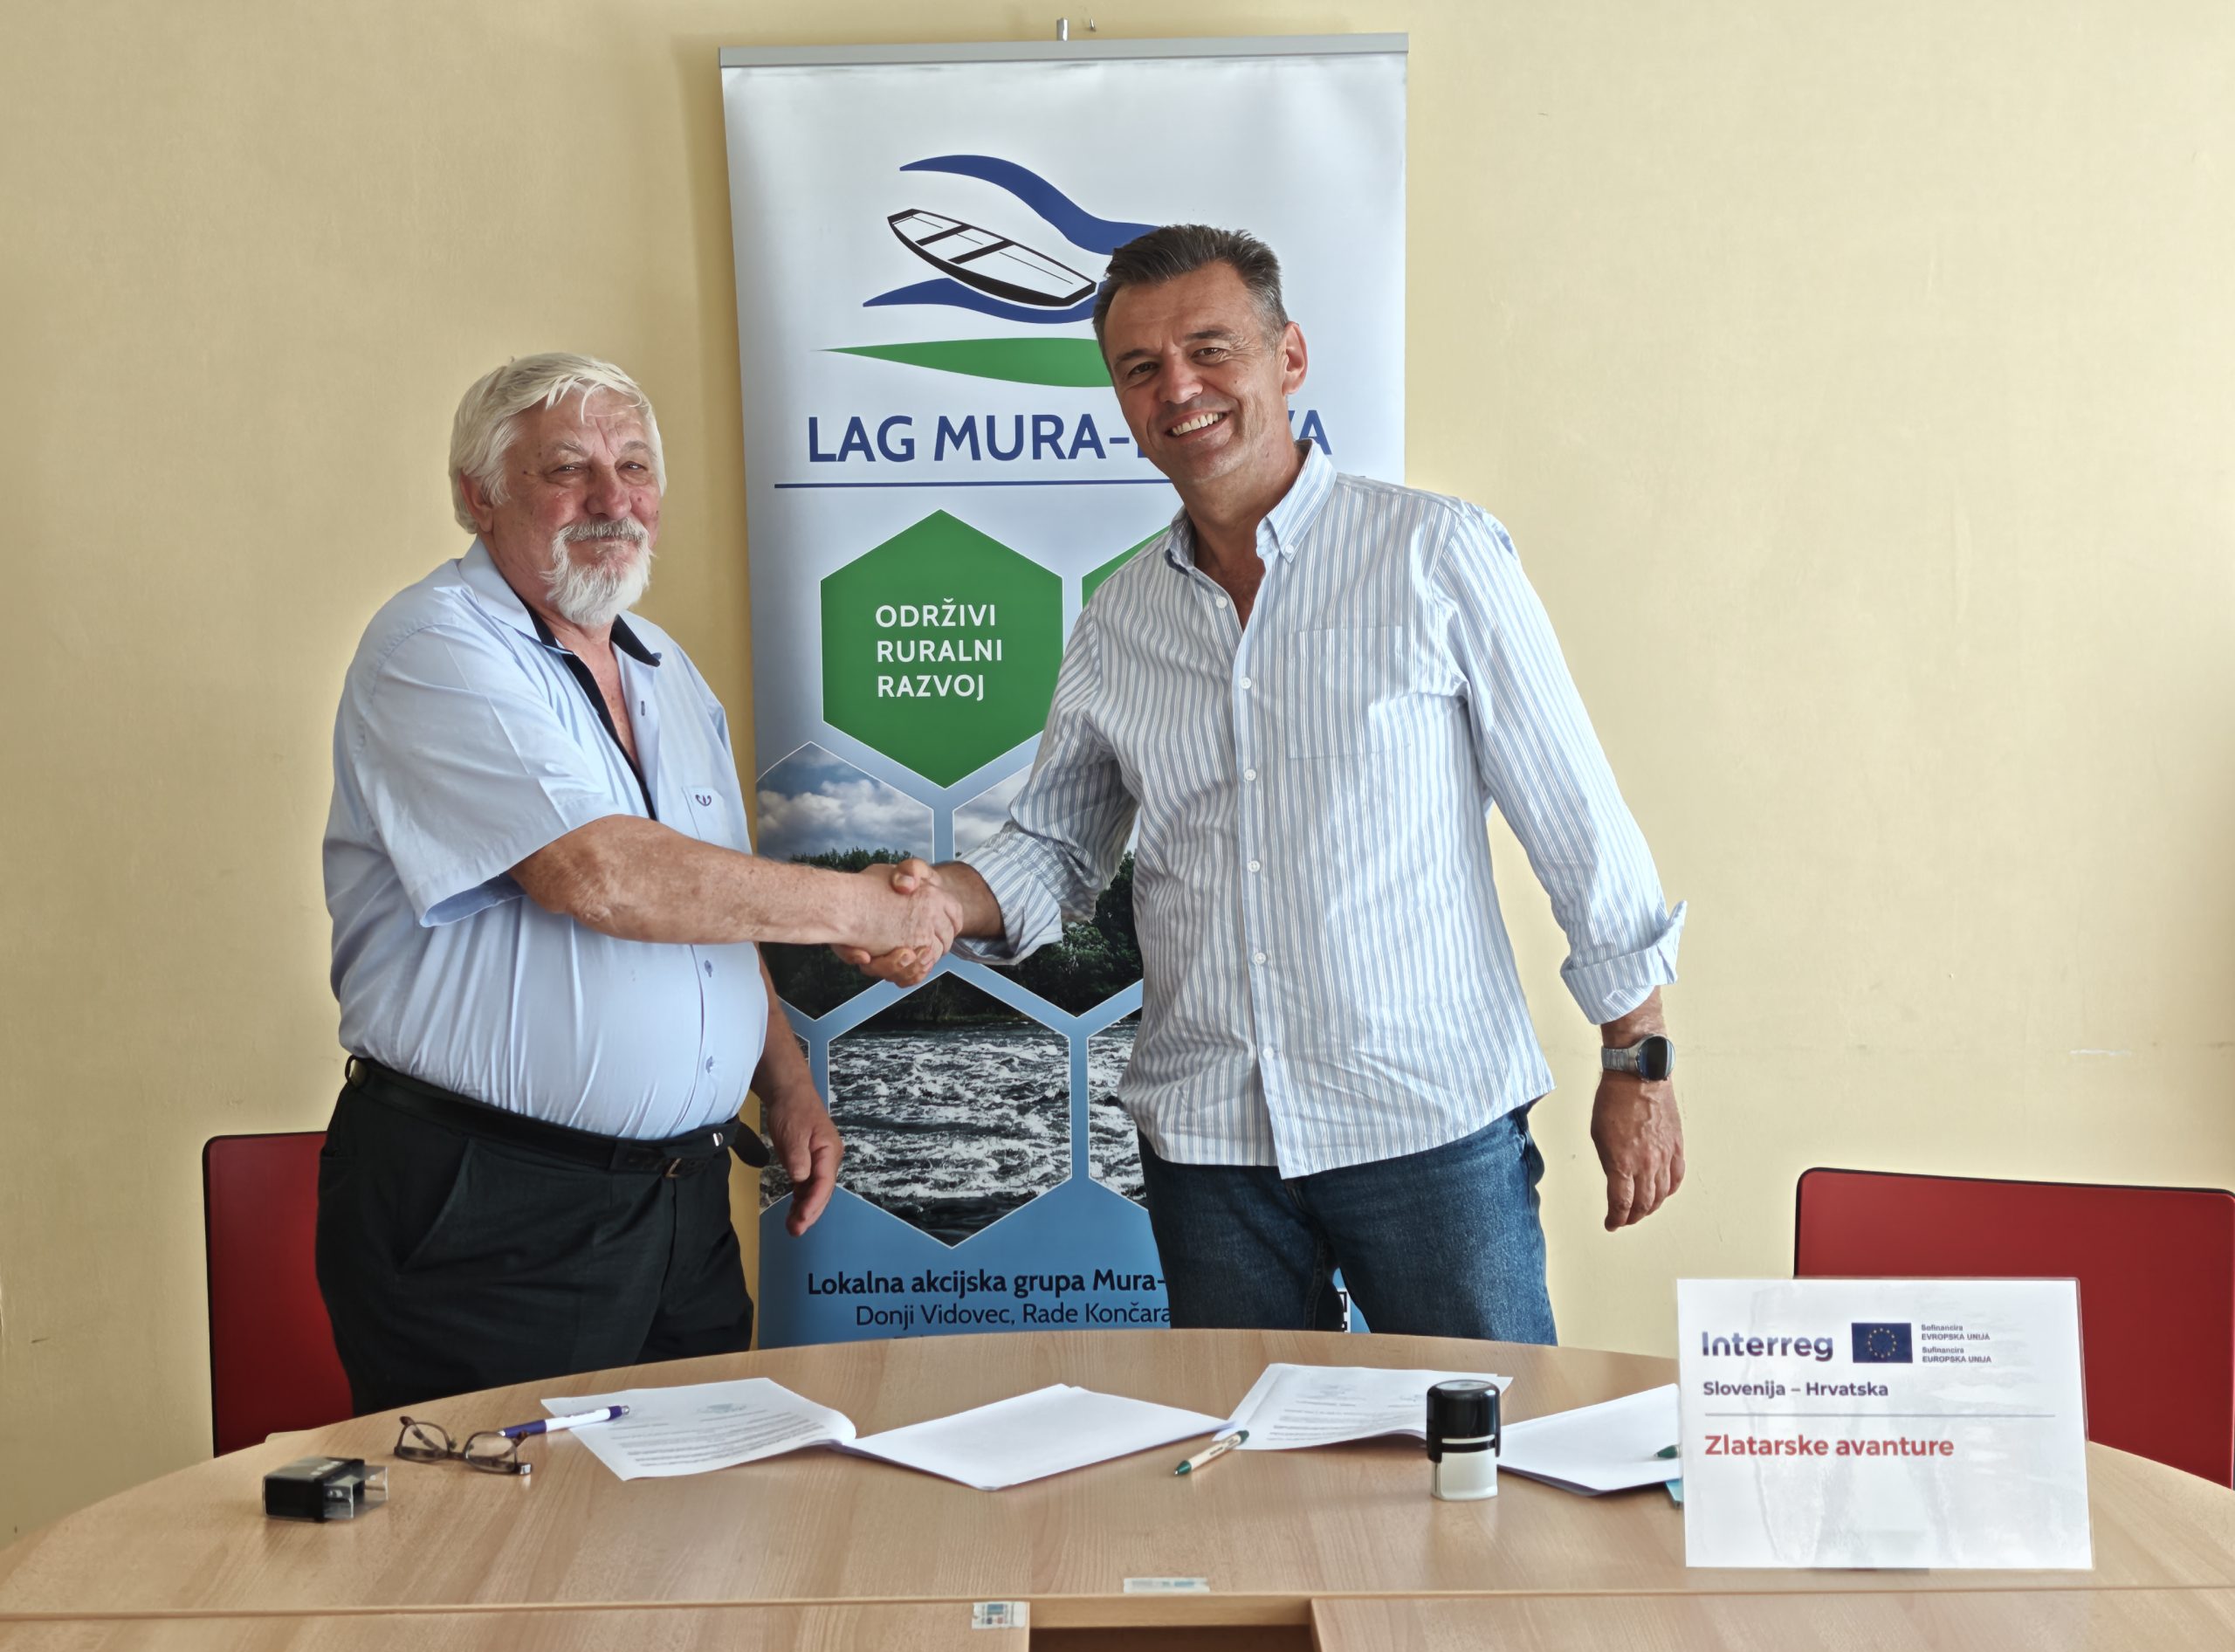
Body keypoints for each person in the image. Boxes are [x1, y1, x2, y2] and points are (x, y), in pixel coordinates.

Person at [848, 228, 1686, 1342]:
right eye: (1140, 368)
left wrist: (1636, 1058)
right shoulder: (1118, 620)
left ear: (1288, 357)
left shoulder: (1433, 555)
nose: (1177, 389)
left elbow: (1572, 814)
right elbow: (1051, 850)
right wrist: (941, 906)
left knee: (1485, 1437)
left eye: (1210, 350)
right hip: (1212, 1154)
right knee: (1245, 1448)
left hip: (1425, 1131)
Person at [318, 353, 959, 1413]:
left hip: (679, 1204)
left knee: (695, 1502)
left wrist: (786, 1083)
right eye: (567, 469)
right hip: (493, 1210)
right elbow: (600, 874)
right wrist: (864, 907)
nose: (612, 500)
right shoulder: (434, 646)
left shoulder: (665, 667)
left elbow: (712, 905)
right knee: (505, 1517)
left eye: (635, 467)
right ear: (478, 496)